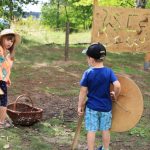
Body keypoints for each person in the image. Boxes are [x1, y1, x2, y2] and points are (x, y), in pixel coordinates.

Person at [77, 43, 121, 150]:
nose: (87, 60)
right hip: (106, 108)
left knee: (91, 130)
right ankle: (106, 149)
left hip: (92, 108)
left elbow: (83, 92)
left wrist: (80, 106)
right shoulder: (108, 71)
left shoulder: (88, 73)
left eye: (87, 58)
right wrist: (115, 95)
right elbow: (117, 85)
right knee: (105, 130)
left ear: (91, 59)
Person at [0, 29, 21, 128]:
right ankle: (1, 122)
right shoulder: (0, 50)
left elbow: (6, 69)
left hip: (2, 80)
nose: (10, 42)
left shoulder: (6, 53)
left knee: (2, 101)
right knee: (3, 101)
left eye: (12, 41)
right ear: (1, 38)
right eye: (8, 39)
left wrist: (7, 79)